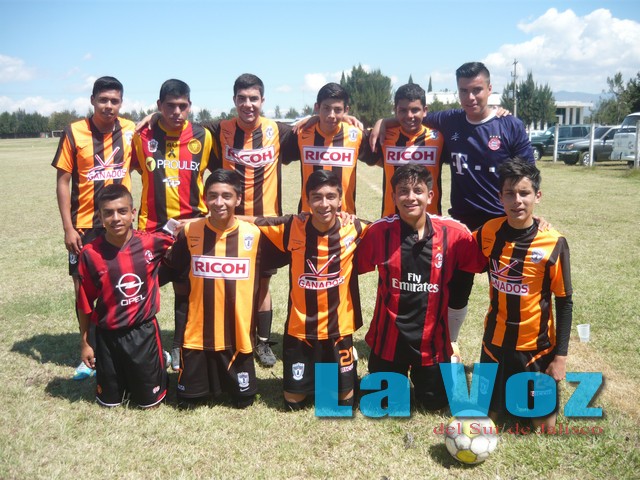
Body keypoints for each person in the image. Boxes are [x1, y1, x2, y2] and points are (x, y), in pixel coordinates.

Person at [371, 62, 534, 361]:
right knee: (457, 287)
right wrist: (383, 120)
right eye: (464, 91)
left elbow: (527, 177)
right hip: (463, 222)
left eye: (477, 90)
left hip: (504, 222)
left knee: (507, 287)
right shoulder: (450, 120)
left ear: (489, 89)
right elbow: (413, 115)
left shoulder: (509, 125)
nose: (471, 97)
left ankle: (510, 348)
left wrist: (530, 217)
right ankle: (452, 342)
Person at [357, 164, 486, 410]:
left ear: (430, 195)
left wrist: (528, 222)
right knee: (383, 405)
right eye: (403, 191)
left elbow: (486, 256)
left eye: (418, 190)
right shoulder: (379, 232)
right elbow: (351, 264)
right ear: (393, 196)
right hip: (388, 342)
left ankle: (449, 360)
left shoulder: (454, 233)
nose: (411, 197)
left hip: (432, 346)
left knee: (435, 405)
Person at [250, 170, 368, 410]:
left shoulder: (354, 227)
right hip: (300, 329)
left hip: (338, 329)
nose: (324, 204)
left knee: (344, 403)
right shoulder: (292, 226)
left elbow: (391, 228)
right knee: (293, 403)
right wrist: (195, 222)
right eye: (317, 197)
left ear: (340, 200)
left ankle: (346, 366)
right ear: (308, 200)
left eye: (330, 197)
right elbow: (248, 221)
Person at [204, 73, 298, 368]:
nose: (248, 104)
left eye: (253, 98)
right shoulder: (218, 129)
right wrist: (153, 117)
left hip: (266, 225)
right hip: (230, 224)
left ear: (262, 100)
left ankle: (263, 341)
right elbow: (180, 127)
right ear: (234, 100)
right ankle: (231, 335)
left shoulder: (279, 130)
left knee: (263, 283)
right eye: (242, 98)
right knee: (229, 282)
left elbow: (313, 125)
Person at [475, 158, 572, 430]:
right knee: (484, 420)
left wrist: (560, 358)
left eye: (524, 193)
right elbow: (455, 243)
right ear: (500, 197)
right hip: (494, 342)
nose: (517, 200)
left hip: (535, 347)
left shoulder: (553, 242)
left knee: (544, 427)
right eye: (509, 193)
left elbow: (564, 302)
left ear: (537, 196)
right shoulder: (488, 232)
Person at [52, 76, 135, 380]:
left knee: (121, 285)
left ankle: (120, 346)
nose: (108, 106)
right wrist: (68, 227)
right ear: (92, 100)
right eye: (103, 100)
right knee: (83, 290)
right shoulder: (74, 132)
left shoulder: (129, 129)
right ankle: (86, 349)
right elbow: (63, 181)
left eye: (114, 101)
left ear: (121, 103)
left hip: (120, 225)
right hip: (85, 226)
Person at [131, 78, 213, 371]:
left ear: (190, 106)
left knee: (185, 289)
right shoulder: (141, 134)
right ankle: (139, 347)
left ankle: (179, 347)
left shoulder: (204, 135)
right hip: (151, 229)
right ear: (159, 106)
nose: (177, 112)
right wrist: (151, 118)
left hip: (192, 228)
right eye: (170, 106)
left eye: (183, 106)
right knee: (141, 288)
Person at [164, 169, 264, 409]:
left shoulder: (255, 235)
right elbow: (170, 268)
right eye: (213, 196)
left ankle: (330, 402)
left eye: (226, 196)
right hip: (197, 336)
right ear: (205, 198)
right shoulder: (190, 232)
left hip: (238, 336)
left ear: (238, 199)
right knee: (187, 403)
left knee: (245, 401)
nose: (219, 202)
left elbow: (294, 226)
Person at [76, 184, 173, 408]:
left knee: (149, 404)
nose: (116, 218)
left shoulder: (151, 242)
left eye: (122, 211)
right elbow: (84, 303)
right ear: (100, 217)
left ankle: (160, 360)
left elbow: (185, 239)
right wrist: (86, 343)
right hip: (107, 336)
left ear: (133, 213)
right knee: (109, 403)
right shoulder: (90, 254)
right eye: (108, 213)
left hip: (143, 332)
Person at [284, 82, 373, 214]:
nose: (331, 115)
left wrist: (384, 122)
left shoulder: (357, 135)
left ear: (346, 110)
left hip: (345, 218)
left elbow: (380, 157)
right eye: (326, 108)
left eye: (337, 110)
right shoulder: (301, 133)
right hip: (309, 216)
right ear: (317, 107)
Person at [371, 83, 444, 217]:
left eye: (415, 110)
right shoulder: (383, 135)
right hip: (391, 220)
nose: (409, 115)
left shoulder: (439, 138)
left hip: (430, 220)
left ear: (425, 110)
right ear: (395, 110)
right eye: (403, 110)